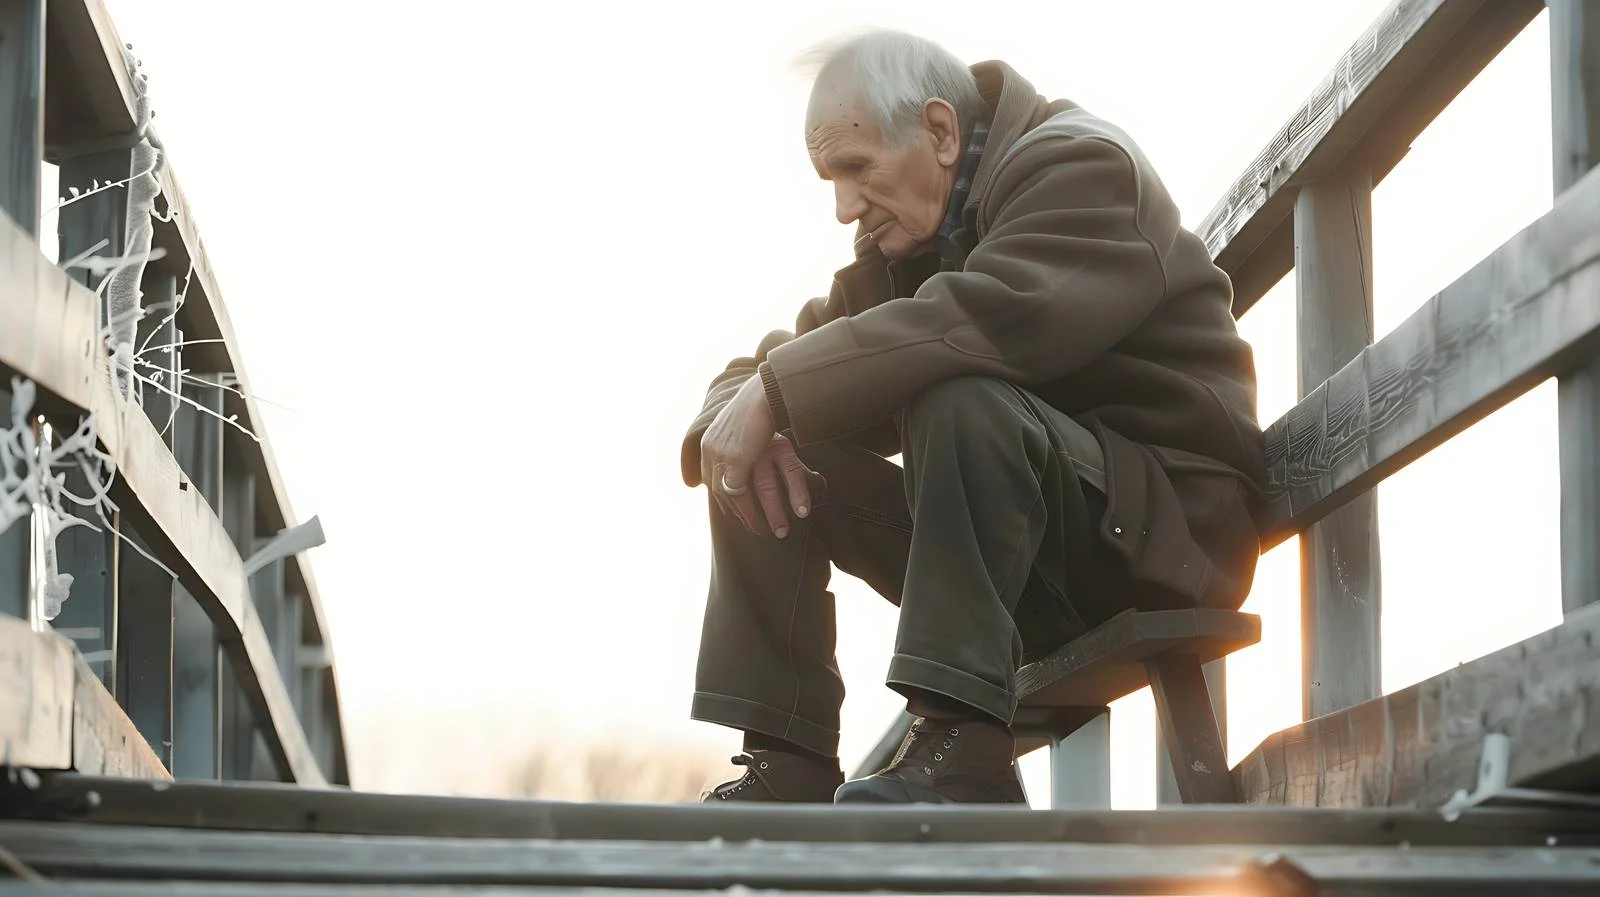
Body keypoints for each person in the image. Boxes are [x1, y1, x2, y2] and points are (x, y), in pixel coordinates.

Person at [681, 29, 1265, 805]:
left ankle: (960, 744)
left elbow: (989, 321)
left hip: (1160, 539)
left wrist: (777, 390)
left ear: (940, 131)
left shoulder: (1084, 166)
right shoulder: (907, 245)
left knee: (954, 386)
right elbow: (768, 368)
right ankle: (786, 759)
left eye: (856, 169)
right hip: (1034, 550)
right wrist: (741, 415)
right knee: (761, 452)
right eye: (830, 178)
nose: (843, 206)